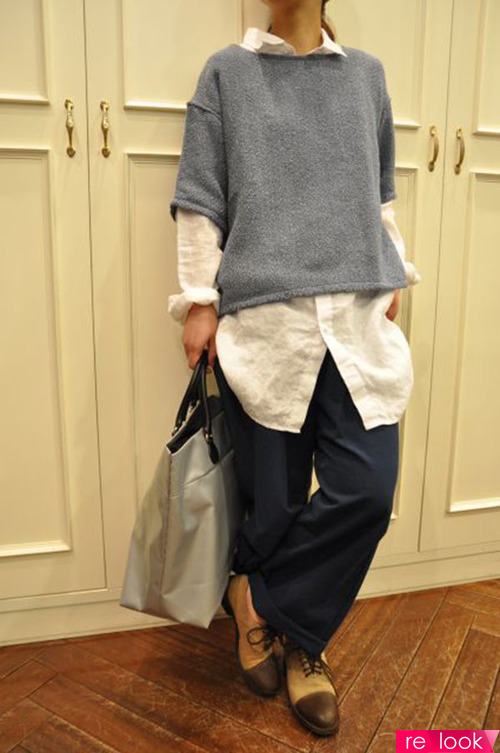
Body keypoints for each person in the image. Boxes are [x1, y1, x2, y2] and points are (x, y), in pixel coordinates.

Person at [168, 0, 421, 738]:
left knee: (366, 491)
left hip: (354, 322)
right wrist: (199, 302)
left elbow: (379, 195)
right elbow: (200, 200)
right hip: (266, 326)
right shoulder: (227, 73)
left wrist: (394, 269)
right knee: (272, 507)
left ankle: (260, 605)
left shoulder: (366, 76)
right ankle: (305, 643)